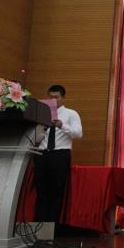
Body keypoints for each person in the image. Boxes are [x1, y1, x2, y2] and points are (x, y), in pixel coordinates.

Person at [34, 84, 82, 223]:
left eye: (57, 97)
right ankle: (39, 226)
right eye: (50, 97)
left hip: (60, 155)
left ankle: (51, 226)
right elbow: (35, 137)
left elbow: (78, 134)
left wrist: (62, 125)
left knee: (56, 191)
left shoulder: (71, 114)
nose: (53, 100)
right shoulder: (42, 113)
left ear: (63, 98)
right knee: (41, 191)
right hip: (41, 154)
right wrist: (41, 128)